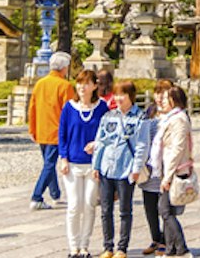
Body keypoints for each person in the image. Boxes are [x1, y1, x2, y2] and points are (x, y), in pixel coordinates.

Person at [92, 79, 150, 258]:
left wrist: (137, 167)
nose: (118, 98)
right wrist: (96, 164)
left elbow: (142, 145)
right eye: (116, 94)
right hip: (107, 166)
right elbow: (100, 141)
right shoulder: (109, 116)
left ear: (130, 96)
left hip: (126, 168)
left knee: (125, 210)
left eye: (122, 95)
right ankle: (107, 246)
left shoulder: (140, 118)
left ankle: (122, 247)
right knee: (105, 209)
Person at [58, 68, 109, 258]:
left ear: (94, 86)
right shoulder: (69, 108)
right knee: (74, 205)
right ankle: (73, 247)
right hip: (72, 163)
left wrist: (98, 144)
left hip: (93, 165)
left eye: (86, 83)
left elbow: (109, 132)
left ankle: (84, 245)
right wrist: (63, 158)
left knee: (89, 204)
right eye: (79, 82)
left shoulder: (102, 107)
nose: (82, 87)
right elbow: (62, 134)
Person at [29, 51, 77, 210]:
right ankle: (36, 196)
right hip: (57, 131)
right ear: (64, 68)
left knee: (48, 164)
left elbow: (32, 108)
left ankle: (55, 193)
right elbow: (69, 112)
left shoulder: (40, 83)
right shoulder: (65, 86)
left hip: (41, 129)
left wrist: (32, 128)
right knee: (49, 165)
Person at [155, 87, 194, 258]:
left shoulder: (178, 119)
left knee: (165, 210)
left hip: (174, 169)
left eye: (166, 98)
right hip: (168, 167)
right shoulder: (170, 118)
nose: (162, 101)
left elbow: (177, 149)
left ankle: (182, 248)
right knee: (167, 211)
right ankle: (171, 250)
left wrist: (168, 175)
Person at [138, 78, 175, 257]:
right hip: (149, 167)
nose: (160, 96)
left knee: (165, 207)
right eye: (158, 92)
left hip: (166, 167)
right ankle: (155, 238)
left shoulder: (176, 114)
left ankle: (167, 242)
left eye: (164, 92)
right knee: (149, 206)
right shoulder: (150, 112)